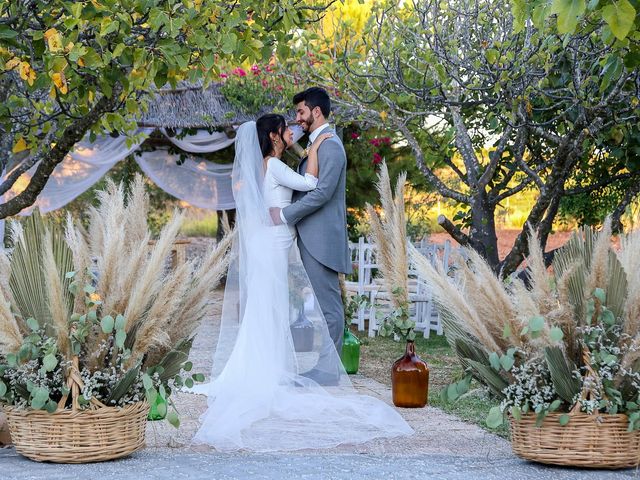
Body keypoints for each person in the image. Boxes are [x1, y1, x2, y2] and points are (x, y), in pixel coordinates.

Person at [191, 114, 413, 452]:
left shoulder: (267, 166)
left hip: (269, 244)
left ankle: (260, 367)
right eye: (285, 130)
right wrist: (316, 147)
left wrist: (304, 148)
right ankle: (264, 371)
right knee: (269, 306)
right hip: (275, 243)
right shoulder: (275, 166)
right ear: (275, 136)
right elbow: (310, 184)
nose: (290, 131)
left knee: (266, 307)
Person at [269, 88, 350, 384]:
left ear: (317, 112)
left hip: (322, 240)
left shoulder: (331, 146)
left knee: (329, 307)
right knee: (322, 305)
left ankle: (329, 371)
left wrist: (286, 214)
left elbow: (323, 192)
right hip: (311, 238)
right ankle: (327, 367)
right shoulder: (317, 144)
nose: (297, 119)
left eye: (301, 112)